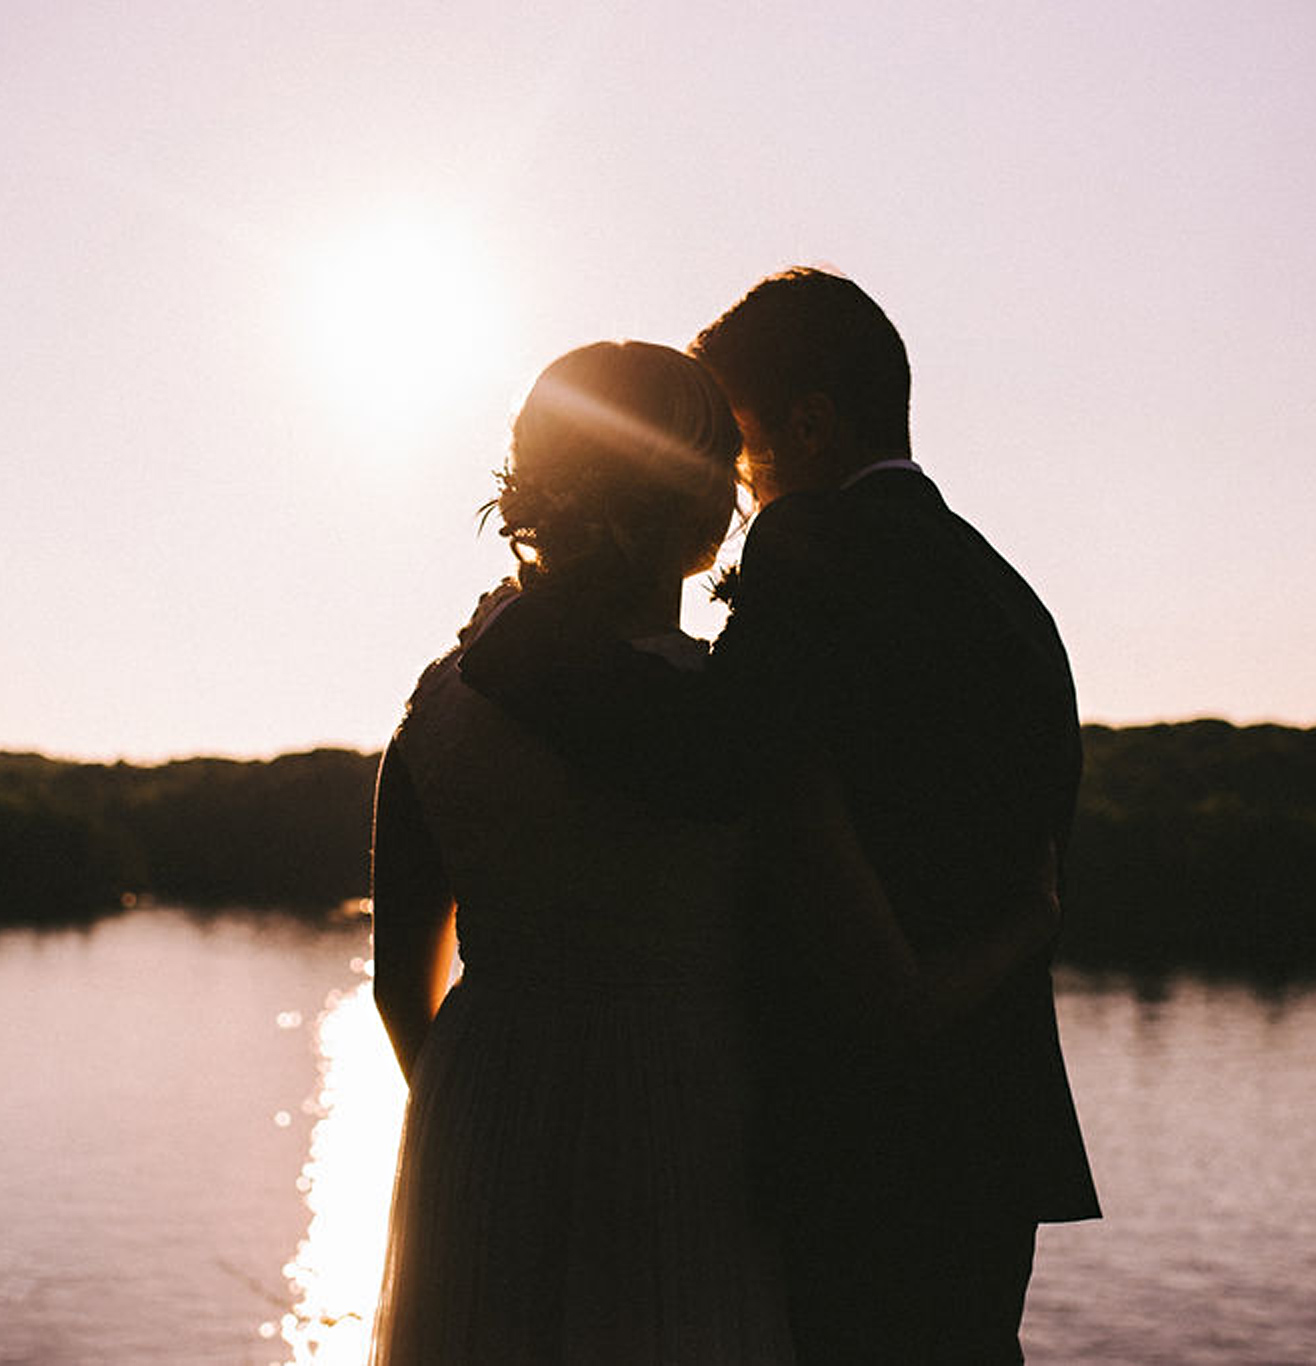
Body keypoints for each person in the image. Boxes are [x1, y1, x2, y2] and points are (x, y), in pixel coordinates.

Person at [459, 267, 1101, 1364]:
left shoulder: (812, 545)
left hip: (853, 1136)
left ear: (806, 424)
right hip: (989, 1132)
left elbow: (705, 759)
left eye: (733, 439)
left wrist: (513, 642)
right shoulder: (1007, 593)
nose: (719, 476)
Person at [367, 340, 795, 1364]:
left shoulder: (438, 703)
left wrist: (483, 1108)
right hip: (682, 1115)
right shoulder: (728, 717)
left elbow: (396, 985)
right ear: (701, 510)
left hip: (482, 1102)